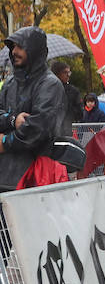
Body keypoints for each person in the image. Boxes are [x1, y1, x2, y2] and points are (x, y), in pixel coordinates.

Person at [0, 26, 66, 191]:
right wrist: (13, 120)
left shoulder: (49, 84)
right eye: (12, 46)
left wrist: (4, 142)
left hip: (34, 179)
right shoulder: (9, 83)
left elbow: (36, 129)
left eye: (20, 46)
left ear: (34, 50)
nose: (14, 51)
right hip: (4, 175)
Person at [51, 61, 81, 136]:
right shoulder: (47, 89)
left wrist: (68, 109)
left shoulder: (73, 91)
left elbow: (80, 113)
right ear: (57, 73)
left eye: (69, 72)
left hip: (66, 130)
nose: (68, 75)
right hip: (49, 131)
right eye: (65, 72)